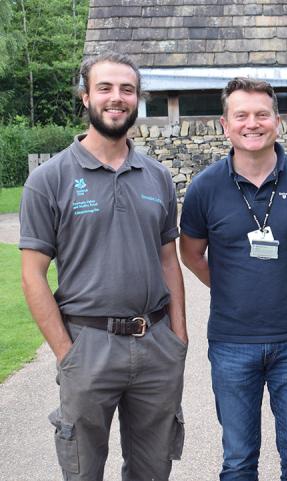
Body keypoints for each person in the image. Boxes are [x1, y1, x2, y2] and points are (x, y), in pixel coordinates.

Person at [19, 52, 187, 481]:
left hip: (155, 346)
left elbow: (169, 260)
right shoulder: (49, 179)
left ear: (137, 99)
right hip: (87, 344)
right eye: (105, 88)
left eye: (127, 90)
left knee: (153, 470)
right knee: (83, 471)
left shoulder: (157, 177)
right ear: (85, 96)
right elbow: (33, 273)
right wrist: (65, 352)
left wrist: (179, 337)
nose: (117, 98)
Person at [179, 77, 287, 481]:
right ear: (224, 125)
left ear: (277, 121)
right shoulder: (204, 188)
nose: (252, 123)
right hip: (231, 344)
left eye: (262, 114)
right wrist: (228, 285)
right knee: (239, 461)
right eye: (240, 115)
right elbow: (190, 254)